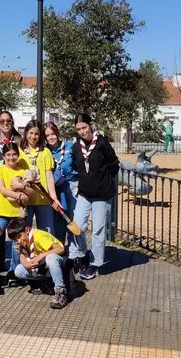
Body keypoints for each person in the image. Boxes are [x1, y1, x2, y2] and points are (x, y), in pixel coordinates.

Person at [69, 113, 119, 280]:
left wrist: (103, 182)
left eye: (84, 127)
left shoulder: (102, 143)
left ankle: (95, 264)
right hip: (84, 193)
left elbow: (114, 165)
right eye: (78, 129)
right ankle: (82, 254)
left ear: (90, 126)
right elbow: (76, 165)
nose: (82, 132)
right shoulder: (77, 147)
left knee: (98, 230)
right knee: (77, 226)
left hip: (101, 196)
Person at [7, 218, 73, 309]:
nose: (18, 241)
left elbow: (60, 249)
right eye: (15, 240)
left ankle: (61, 292)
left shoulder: (39, 237)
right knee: (18, 270)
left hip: (60, 265)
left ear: (26, 230)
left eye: (19, 236)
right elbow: (22, 255)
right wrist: (27, 265)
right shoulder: (24, 241)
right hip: (44, 266)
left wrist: (41, 255)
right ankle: (45, 284)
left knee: (51, 258)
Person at [0, 142, 35, 279]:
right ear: (4, 156)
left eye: (14, 154)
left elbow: (30, 194)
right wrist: (19, 195)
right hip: (2, 212)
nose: (11, 157)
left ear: (18, 155)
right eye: (8, 154)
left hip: (17, 214)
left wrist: (23, 191)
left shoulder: (22, 171)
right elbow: (3, 190)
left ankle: (14, 271)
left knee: (16, 244)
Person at [18, 120, 63, 237]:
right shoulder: (19, 152)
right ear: (26, 133)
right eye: (31, 133)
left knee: (47, 234)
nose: (33, 137)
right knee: (24, 234)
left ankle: (47, 255)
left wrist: (53, 197)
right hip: (26, 199)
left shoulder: (45, 152)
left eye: (36, 134)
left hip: (44, 199)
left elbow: (49, 175)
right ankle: (25, 255)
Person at [44, 122, 78, 242]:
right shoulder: (45, 152)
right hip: (55, 189)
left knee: (73, 219)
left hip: (72, 186)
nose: (51, 137)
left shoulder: (69, 146)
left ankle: (75, 254)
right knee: (57, 220)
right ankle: (61, 250)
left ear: (57, 133)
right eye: (47, 135)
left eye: (53, 134)